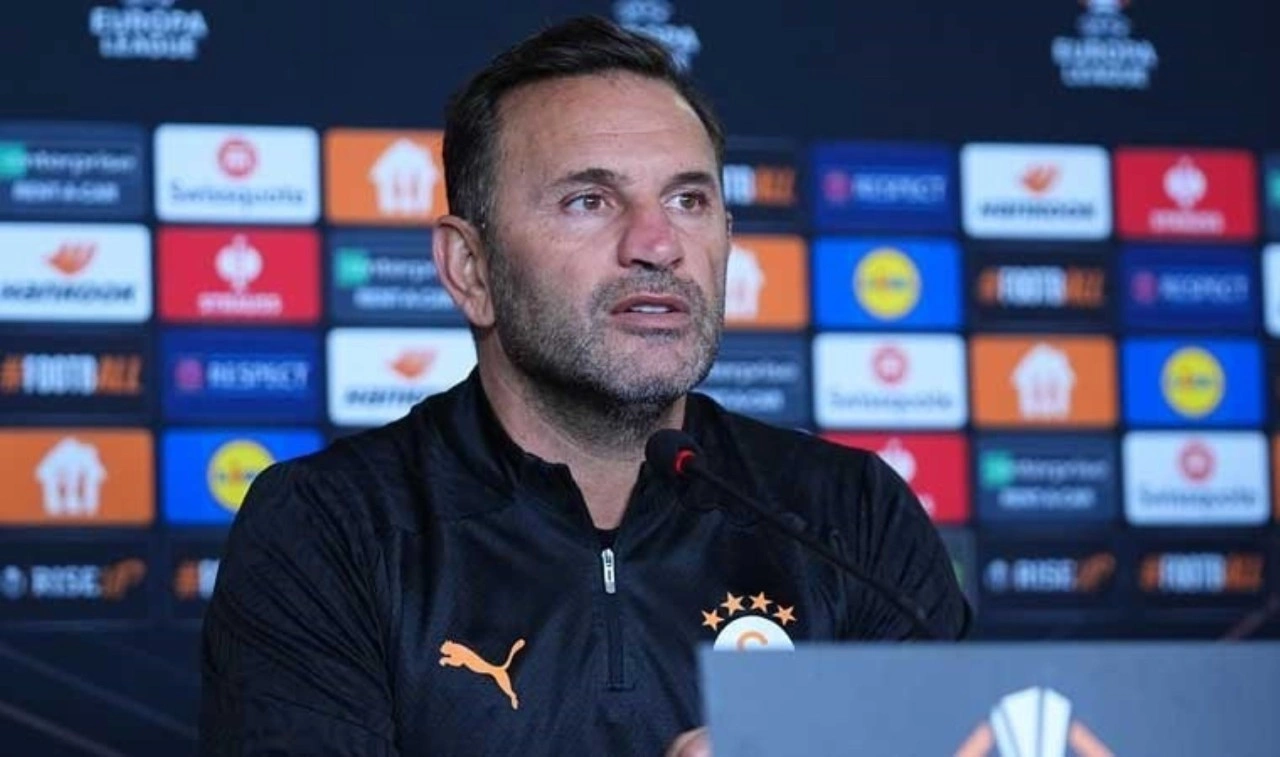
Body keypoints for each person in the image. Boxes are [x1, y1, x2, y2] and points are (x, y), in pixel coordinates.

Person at [199, 15, 970, 757]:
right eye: (588, 201)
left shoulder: (850, 517)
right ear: (471, 269)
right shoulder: (330, 529)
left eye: (688, 200)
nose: (658, 244)